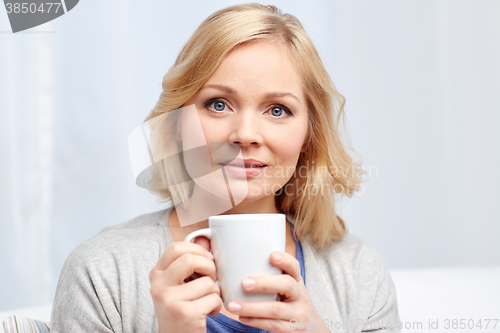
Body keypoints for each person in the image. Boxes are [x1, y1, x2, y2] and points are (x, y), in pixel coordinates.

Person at [51, 4, 400, 333]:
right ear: (176, 125)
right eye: (218, 105)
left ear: (310, 134)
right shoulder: (101, 272)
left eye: (277, 110)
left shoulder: (359, 272)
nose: (245, 134)